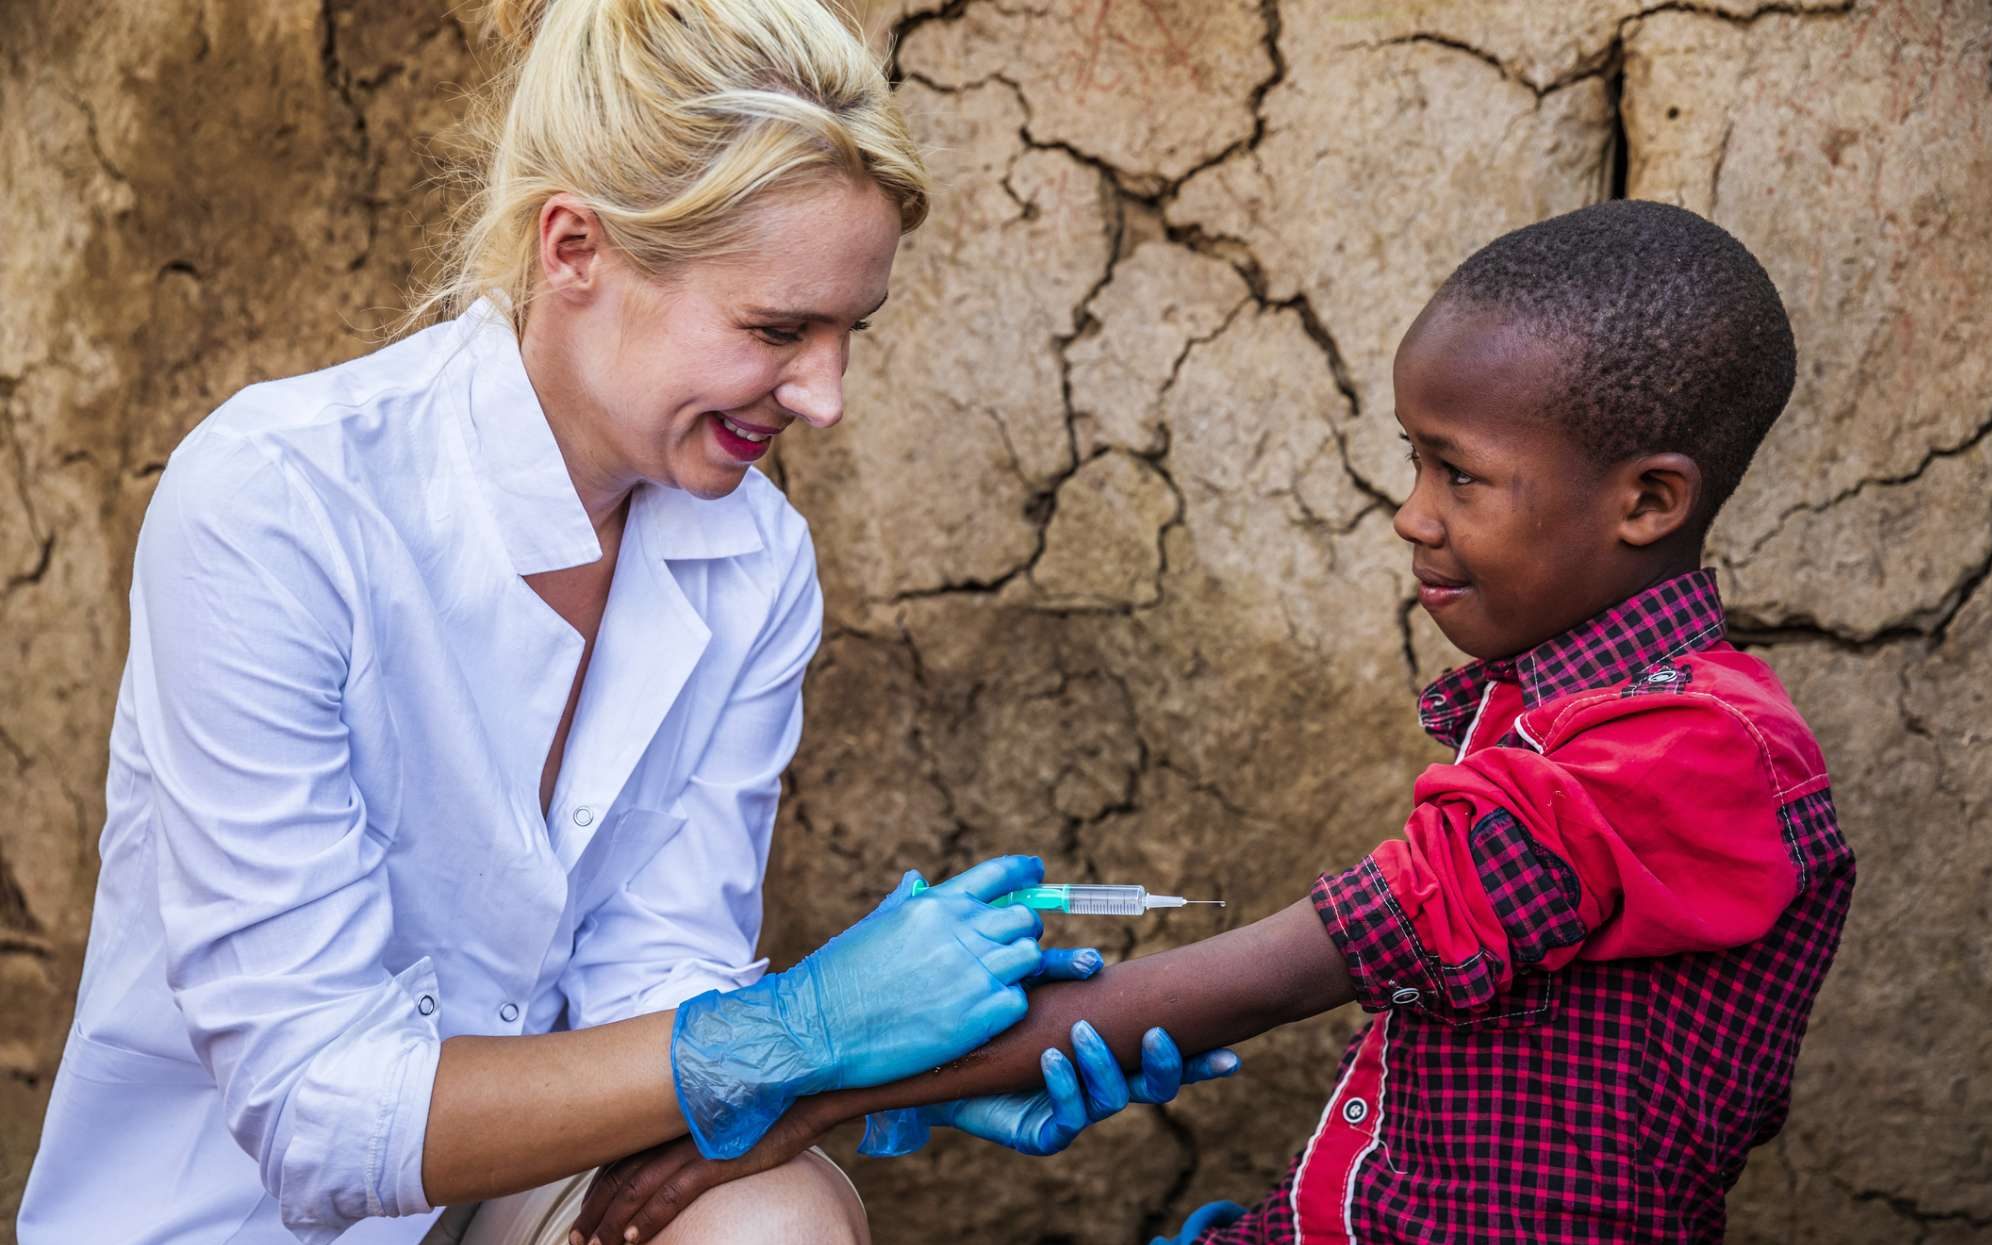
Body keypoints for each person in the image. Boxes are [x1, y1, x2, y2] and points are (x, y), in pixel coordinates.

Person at [16, 2, 1233, 1242]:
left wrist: (912, 1062)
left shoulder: (751, 558)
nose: (824, 397)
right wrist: (808, 1027)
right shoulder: (281, 502)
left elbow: (657, 990)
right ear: (575, 249)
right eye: (775, 329)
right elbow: (317, 1113)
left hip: (529, 1186)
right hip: (236, 1218)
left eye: (846, 333)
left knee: (769, 1223)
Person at [567, 200, 1856, 1245]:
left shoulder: (1674, 761)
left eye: (1456, 473)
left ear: (1645, 502)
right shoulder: (1562, 718)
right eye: (1412, 461)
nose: (1411, 512)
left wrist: (818, 1087)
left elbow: (1280, 971)